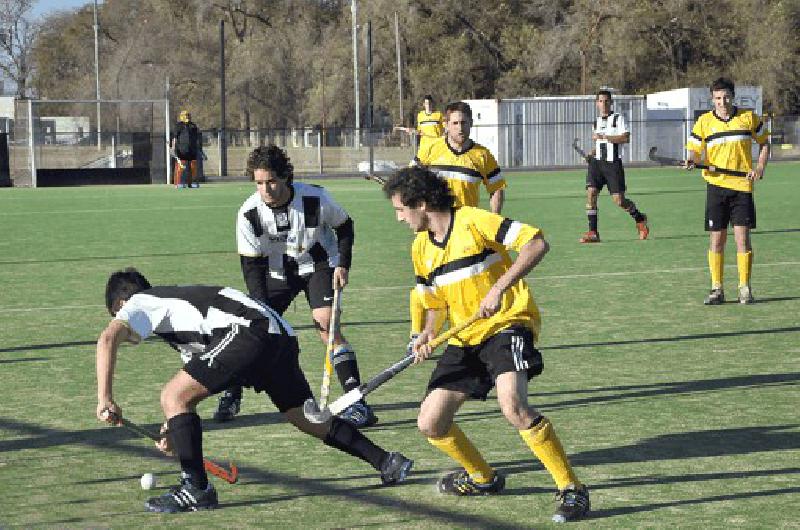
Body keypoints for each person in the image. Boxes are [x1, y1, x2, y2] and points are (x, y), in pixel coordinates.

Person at [95, 268, 412, 513]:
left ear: (121, 304)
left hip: (249, 332)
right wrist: (173, 432)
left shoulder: (140, 302)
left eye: (118, 314)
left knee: (171, 396)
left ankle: (196, 489)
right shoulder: (180, 315)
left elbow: (108, 339)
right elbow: (199, 386)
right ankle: (387, 462)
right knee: (307, 418)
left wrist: (105, 398)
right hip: (278, 336)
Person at [382, 167, 590, 523]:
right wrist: (428, 333)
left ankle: (572, 488)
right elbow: (434, 304)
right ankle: (483, 479)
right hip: (465, 338)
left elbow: (537, 242)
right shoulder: (420, 248)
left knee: (513, 405)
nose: (399, 218)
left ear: (421, 203)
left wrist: (499, 288)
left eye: (401, 209)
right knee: (431, 423)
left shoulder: (474, 221)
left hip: (505, 324)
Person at [215, 145, 377, 428]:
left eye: (272, 181)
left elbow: (345, 226)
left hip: (320, 265)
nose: (266, 189)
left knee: (327, 325)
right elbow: (251, 268)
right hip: (277, 272)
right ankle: (233, 391)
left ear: (286, 177)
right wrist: (262, 310)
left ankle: (357, 402)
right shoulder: (249, 214)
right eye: (259, 183)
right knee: (251, 329)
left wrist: (343, 264)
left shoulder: (315, 198)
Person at [408, 100, 507, 343]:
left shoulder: (482, 155)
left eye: (464, 123)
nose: (460, 128)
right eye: (455, 123)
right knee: (425, 283)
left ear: (471, 124)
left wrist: (492, 218)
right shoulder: (430, 149)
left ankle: (481, 331)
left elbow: (496, 188)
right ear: (445, 125)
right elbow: (411, 180)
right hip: (432, 227)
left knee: (469, 281)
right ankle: (417, 334)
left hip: (465, 231)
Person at [685, 77, 769, 305]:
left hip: (742, 187)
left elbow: (764, 143)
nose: (722, 102)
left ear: (733, 96)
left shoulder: (748, 117)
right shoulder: (703, 122)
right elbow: (694, 149)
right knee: (717, 240)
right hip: (716, 187)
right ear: (712, 99)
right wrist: (692, 160)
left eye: (726, 97)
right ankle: (717, 288)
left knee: (743, 240)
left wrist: (759, 167)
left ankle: (744, 287)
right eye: (718, 98)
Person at [579, 90, 649, 243]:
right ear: (596, 103)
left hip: (612, 165)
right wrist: (591, 153)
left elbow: (625, 137)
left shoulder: (618, 118)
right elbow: (600, 144)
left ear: (611, 103)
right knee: (591, 193)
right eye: (600, 101)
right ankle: (593, 232)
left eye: (606, 101)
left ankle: (640, 218)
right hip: (597, 164)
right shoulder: (596, 122)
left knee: (619, 201)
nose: (603, 104)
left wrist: (604, 136)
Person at [170, 110, 201, 189]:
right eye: (185, 115)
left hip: (192, 150)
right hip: (181, 150)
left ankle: (191, 183)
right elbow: (175, 138)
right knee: (180, 167)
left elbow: (196, 138)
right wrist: (173, 148)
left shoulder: (193, 126)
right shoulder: (178, 126)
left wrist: (199, 148)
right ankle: (178, 183)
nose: (187, 117)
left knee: (192, 167)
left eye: (188, 115)